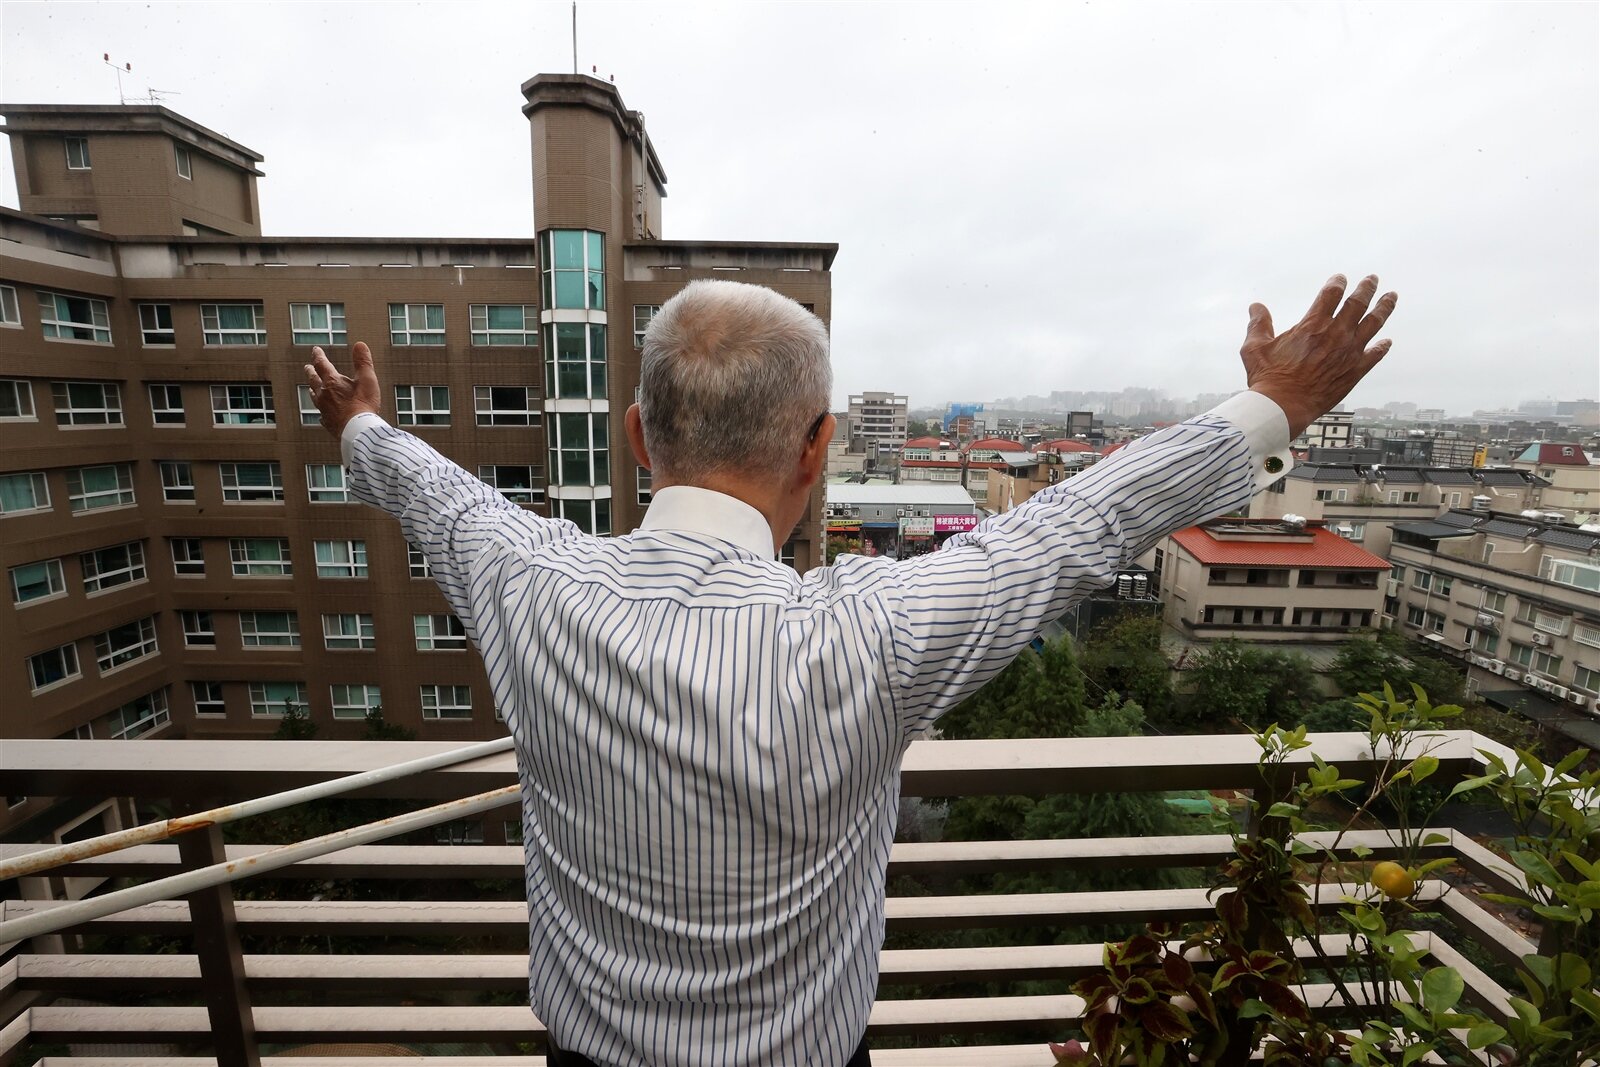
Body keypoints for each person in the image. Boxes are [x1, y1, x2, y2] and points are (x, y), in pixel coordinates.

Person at [304, 273, 1396, 1067]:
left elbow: (427, 488)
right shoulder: (868, 633)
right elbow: (1074, 526)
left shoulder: (528, 580)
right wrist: (1275, 405)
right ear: (818, 445)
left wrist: (357, 421)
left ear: (638, 435)